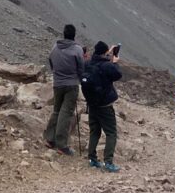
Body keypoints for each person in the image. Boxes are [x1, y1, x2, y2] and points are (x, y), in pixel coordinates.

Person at [82, 40, 123, 172]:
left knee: (95, 131)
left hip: (92, 104)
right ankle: (108, 162)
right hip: (105, 105)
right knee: (111, 132)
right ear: (104, 53)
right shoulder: (107, 65)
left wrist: (107, 54)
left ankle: (92, 158)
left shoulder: (88, 63)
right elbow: (117, 74)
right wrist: (115, 62)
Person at [44, 24, 84, 156]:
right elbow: (81, 67)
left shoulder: (55, 46)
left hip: (57, 83)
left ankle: (50, 139)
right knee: (66, 113)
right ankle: (62, 145)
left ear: (64, 33)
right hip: (71, 84)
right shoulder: (77, 49)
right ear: (74, 35)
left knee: (56, 110)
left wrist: (57, 73)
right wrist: (79, 78)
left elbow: (50, 60)